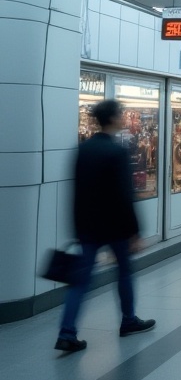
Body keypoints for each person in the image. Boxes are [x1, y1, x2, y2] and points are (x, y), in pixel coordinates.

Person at [55, 99, 156, 353]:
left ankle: (67, 332)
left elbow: (76, 192)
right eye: (121, 114)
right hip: (116, 227)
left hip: (88, 226)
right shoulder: (117, 151)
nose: (124, 117)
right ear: (112, 119)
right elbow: (125, 195)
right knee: (124, 272)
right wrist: (134, 232)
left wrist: (77, 228)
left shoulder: (82, 149)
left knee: (80, 281)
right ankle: (128, 320)